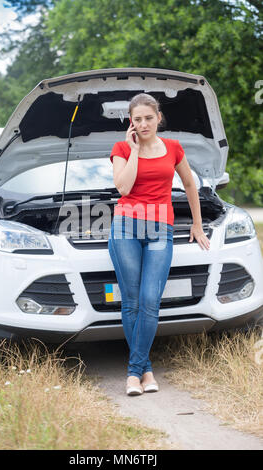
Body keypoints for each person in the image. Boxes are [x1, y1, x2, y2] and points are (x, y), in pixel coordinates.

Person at [108, 93, 210, 396]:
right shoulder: (121, 148)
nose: (143, 124)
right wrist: (135, 150)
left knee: (151, 300)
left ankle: (134, 372)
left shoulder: (175, 148)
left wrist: (197, 223)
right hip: (125, 227)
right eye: (137, 119)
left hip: (160, 230)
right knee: (132, 301)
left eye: (148, 118)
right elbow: (123, 187)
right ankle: (144, 371)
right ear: (131, 122)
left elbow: (190, 184)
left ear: (159, 118)